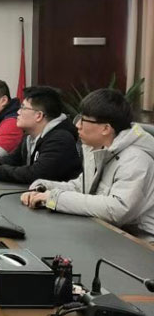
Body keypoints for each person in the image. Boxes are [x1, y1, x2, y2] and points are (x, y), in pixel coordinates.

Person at [22, 89, 154, 243]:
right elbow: (82, 187)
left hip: (141, 245)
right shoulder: (97, 149)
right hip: (107, 233)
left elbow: (117, 209)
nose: (77, 125)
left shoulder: (136, 160)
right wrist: (44, 188)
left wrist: (54, 199)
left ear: (106, 128)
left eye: (84, 120)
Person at [0, 86, 81, 184]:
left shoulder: (60, 139)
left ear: (39, 115)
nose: (18, 112)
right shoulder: (29, 136)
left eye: (23, 107)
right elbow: (13, 159)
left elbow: (37, 173)